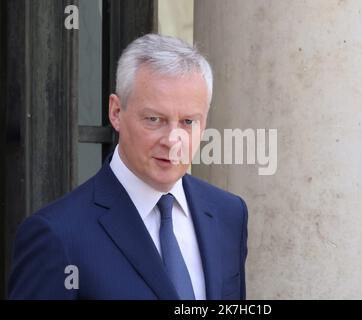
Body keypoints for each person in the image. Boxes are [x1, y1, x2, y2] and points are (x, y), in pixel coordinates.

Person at [8, 34, 248, 300]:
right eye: (154, 119)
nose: (172, 141)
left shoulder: (229, 214)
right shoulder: (57, 236)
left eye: (188, 122)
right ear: (115, 112)